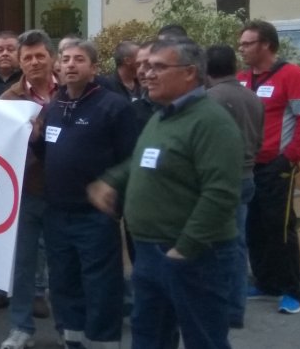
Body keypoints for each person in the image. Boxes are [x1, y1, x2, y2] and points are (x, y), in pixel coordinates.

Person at [90, 40, 242, 349]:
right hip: (149, 253)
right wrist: (111, 180)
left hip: (194, 255)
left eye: (158, 67)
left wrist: (186, 247)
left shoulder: (211, 121)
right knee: (149, 337)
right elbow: (143, 159)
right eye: (145, 67)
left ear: (189, 73)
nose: (146, 74)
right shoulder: (163, 116)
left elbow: (221, 193)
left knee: (204, 340)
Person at [32, 40, 135, 349]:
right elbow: (47, 151)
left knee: (101, 285)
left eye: (79, 59)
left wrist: (111, 188)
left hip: (95, 217)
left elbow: (131, 158)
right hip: (56, 213)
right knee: (63, 283)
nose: (71, 64)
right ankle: (71, 339)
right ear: (58, 67)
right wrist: (35, 139)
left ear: (93, 68)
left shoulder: (114, 106)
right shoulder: (54, 106)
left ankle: (103, 342)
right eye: (66, 59)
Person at [238, 19, 300, 315]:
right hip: (248, 169)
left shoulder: (292, 76)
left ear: (267, 46)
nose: (242, 49)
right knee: (254, 227)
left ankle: (291, 290)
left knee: (280, 229)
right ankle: (265, 282)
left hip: (278, 168)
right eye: (241, 44)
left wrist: (290, 158)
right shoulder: (242, 78)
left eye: (248, 43)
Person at [0, 30, 57, 349]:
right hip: (27, 191)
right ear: (20, 61)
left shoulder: (70, 92)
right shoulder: (9, 100)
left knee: (65, 265)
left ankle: (69, 330)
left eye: (40, 55)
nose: (34, 62)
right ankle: (20, 328)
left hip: (68, 193)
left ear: (52, 58)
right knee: (23, 263)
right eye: (27, 57)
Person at [205, 44, 264, 329]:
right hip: (248, 175)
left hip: (221, 179)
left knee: (219, 247)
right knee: (237, 244)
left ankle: (223, 307)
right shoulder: (253, 98)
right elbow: (260, 139)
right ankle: (235, 307)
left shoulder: (209, 100)